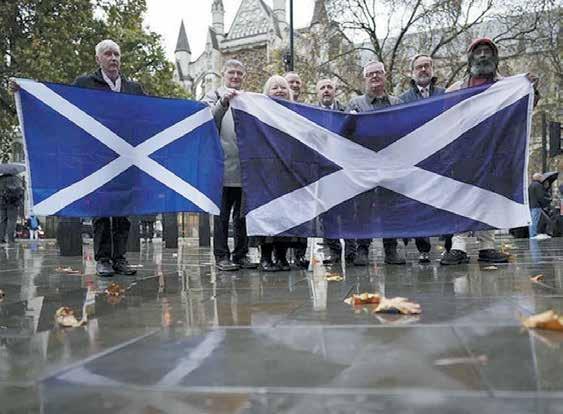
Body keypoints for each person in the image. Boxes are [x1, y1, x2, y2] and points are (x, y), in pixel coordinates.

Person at [440, 37, 540, 265]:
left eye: (487, 51)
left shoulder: (509, 86)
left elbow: (524, 111)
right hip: (464, 155)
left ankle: (487, 246)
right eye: (478, 52)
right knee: (462, 198)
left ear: (495, 58)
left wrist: (532, 89)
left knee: (490, 199)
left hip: (495, 155)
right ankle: (459, 247)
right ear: (470, 59)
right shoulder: (455, 90)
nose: (483, 55)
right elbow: (445, 124)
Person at [73, 39, 145, 276]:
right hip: (98, 157)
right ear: (98, 59)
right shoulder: (84, 84)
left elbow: (149, 115)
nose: (113, 58)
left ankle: (119, 258)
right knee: (102, 209)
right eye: (107, 54)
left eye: (116, 54)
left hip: (127, 157)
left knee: (123, 210)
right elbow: (60, 103)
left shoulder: (133, 88)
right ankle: (103, 259)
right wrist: (23, 91)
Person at [347, 61, 404, 266]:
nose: (374, 76)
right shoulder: (355, 104)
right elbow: (346, 133)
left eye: (378, 72)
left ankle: (391, 249)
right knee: (363, 208)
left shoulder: (397, 103)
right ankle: (362, 248)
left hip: (391, 164)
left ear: (384, 76)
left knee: (391, 207)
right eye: (370, 74)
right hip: (365, 166)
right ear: (364, 79)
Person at [203, 59, 257, 271]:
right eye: (231, 72)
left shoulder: (249, 99)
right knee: (221, 216)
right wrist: (223, 102)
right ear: (223, 74)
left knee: (242, 216)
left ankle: (241, 254)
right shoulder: (212, 96)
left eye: (239, 73)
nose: (235, 76)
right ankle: (221, 256)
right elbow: (206, 120)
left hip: (244, 169)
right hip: (220, 168)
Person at [398, 54, 446, 264]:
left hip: (441, 157)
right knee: (418, 204)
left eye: (427, 66)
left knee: (446, 201)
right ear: (412, 73)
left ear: (432, 69)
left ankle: (448, 246)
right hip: (415, 159)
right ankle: (423, 249)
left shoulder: (444, 94)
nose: (423, 70)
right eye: (419, 67)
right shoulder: (403, 99)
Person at [316, 79, 356, 264]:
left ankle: (351, 249)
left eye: (329, 87)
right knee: (328, 213)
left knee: (348, 212)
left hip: (345, 170)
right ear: (317, 93)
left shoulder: (346, 112)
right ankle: (333, 250)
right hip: (323, 170)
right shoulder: (310, 113)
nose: (326, 90)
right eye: (322, 88)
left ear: (335, 91)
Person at [0, 173, 24, 244]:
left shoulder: (1, 179)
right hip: (13, 204)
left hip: (2, 204)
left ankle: (1, 239)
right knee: (12, 221)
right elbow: (19, 193)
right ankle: (10, 239)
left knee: (2, 221)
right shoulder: (15, 179)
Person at [528, 173, 550, 239]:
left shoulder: (531, 185)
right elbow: (541, 196)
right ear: (538, 178)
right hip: (536, 205)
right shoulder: (538, 185)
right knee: (535, 220)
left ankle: (532, 234)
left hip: (531, 205)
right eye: (541, 177)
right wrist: (545, 203)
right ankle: (533, 234)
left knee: (532, 220)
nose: (542, 178)